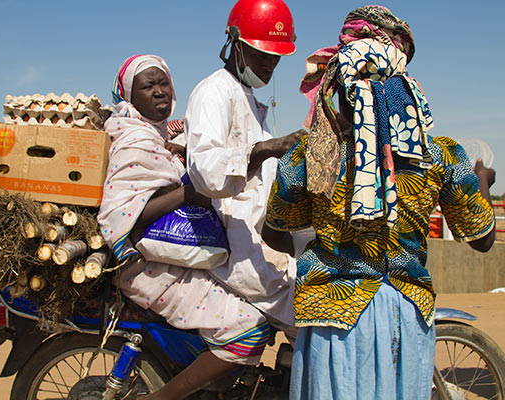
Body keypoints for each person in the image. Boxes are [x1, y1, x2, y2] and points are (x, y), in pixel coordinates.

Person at [263, 6, 496, 399]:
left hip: (332, 321)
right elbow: (482, 239)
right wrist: (484, 181)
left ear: (340, 87)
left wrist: (327, 245)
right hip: (405, 320)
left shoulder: (312, 155)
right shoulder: (439, 156)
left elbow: (274, 232)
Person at [97, 54, 273, 400]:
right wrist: (186, 194)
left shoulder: (156, 136)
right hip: (147, 267)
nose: (160, 92)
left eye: (164, 83)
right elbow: (121, 216)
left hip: (171, 255)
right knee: (249, 330)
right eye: (148, 86)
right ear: (129, 97)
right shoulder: (135, 142)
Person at [184, 0, 304, 342]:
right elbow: (205, 169)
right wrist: (267, 149)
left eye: (275, 56)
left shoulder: (246, 98)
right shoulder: (215, 92)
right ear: (234, 44)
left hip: (260, 243)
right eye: (260, 54)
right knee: (317, 321)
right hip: (237, 251)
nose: (270, 64)